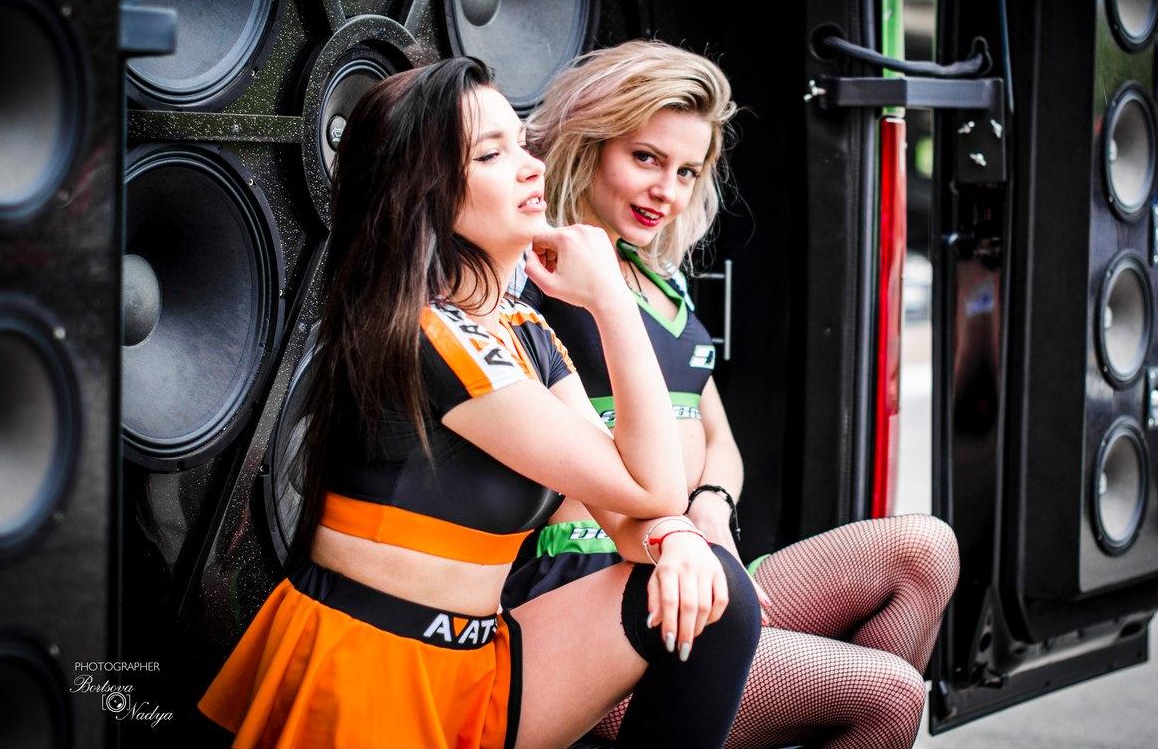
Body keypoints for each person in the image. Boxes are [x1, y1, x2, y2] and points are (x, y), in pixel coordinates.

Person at [196, 57, 760, 748]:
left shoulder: (523, 329)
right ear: (428, 192)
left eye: (522, 144)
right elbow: (655, 484)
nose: (531, 168)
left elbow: (629, 509)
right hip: (378, 668)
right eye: (492, 154)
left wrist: (677, 539)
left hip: (479, 660)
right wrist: (610, 298)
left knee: (717, 595)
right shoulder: (433, 334)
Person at [503, 40, 961, 749]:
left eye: (687, 171)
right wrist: (677, 532)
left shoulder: (663, 281)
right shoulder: (535, 273)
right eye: (646, 158)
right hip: (593, 584)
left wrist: (711, 508)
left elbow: (717, 438)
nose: (667, 190)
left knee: (926, 549)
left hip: (698, 557)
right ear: (590, 145)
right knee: (891, 695)